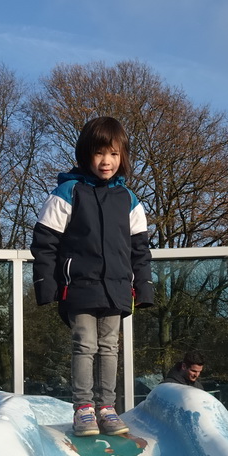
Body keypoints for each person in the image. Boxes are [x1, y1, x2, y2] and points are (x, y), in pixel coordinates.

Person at [30, 116, 154, 437]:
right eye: (99, 153)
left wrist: (143, 287)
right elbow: (45, 242)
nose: (106, 161)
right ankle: (83, 409)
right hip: (79, 286)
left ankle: (107, 408)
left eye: (113, 154)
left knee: (110, 346)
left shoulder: (128, 199)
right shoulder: (68, 192)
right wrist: (47, 285)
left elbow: (140, 249)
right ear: (86, 154)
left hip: (116, 288)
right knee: (85, 344)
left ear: (122, 156)